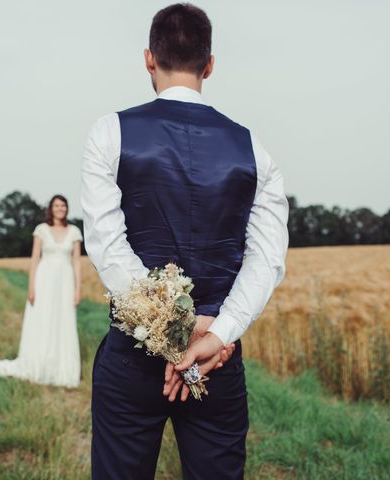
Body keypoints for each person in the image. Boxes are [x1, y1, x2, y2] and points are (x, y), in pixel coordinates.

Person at [81, 3, 290, 479]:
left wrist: (173, 331)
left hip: (134, 358)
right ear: (209, 64)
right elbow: (267, 260)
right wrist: (213, 336)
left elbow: (107, 246)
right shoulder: (255, 149)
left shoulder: (108, 133)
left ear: (149, 58)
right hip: (217, 360)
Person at [0, 194, 83, 388]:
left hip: (65, 283)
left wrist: (78, 288)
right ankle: (38, 365)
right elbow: (34, 260)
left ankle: (61, 369)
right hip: (44, 281)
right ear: (51, 208)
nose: (60, 208)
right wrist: (31, 288)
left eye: (63, 205)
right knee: (43, 320)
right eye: (56, 205)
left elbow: (76, 262)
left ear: (67, 208)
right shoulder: (41, 230)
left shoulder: (73, 231)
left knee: (62, 320)